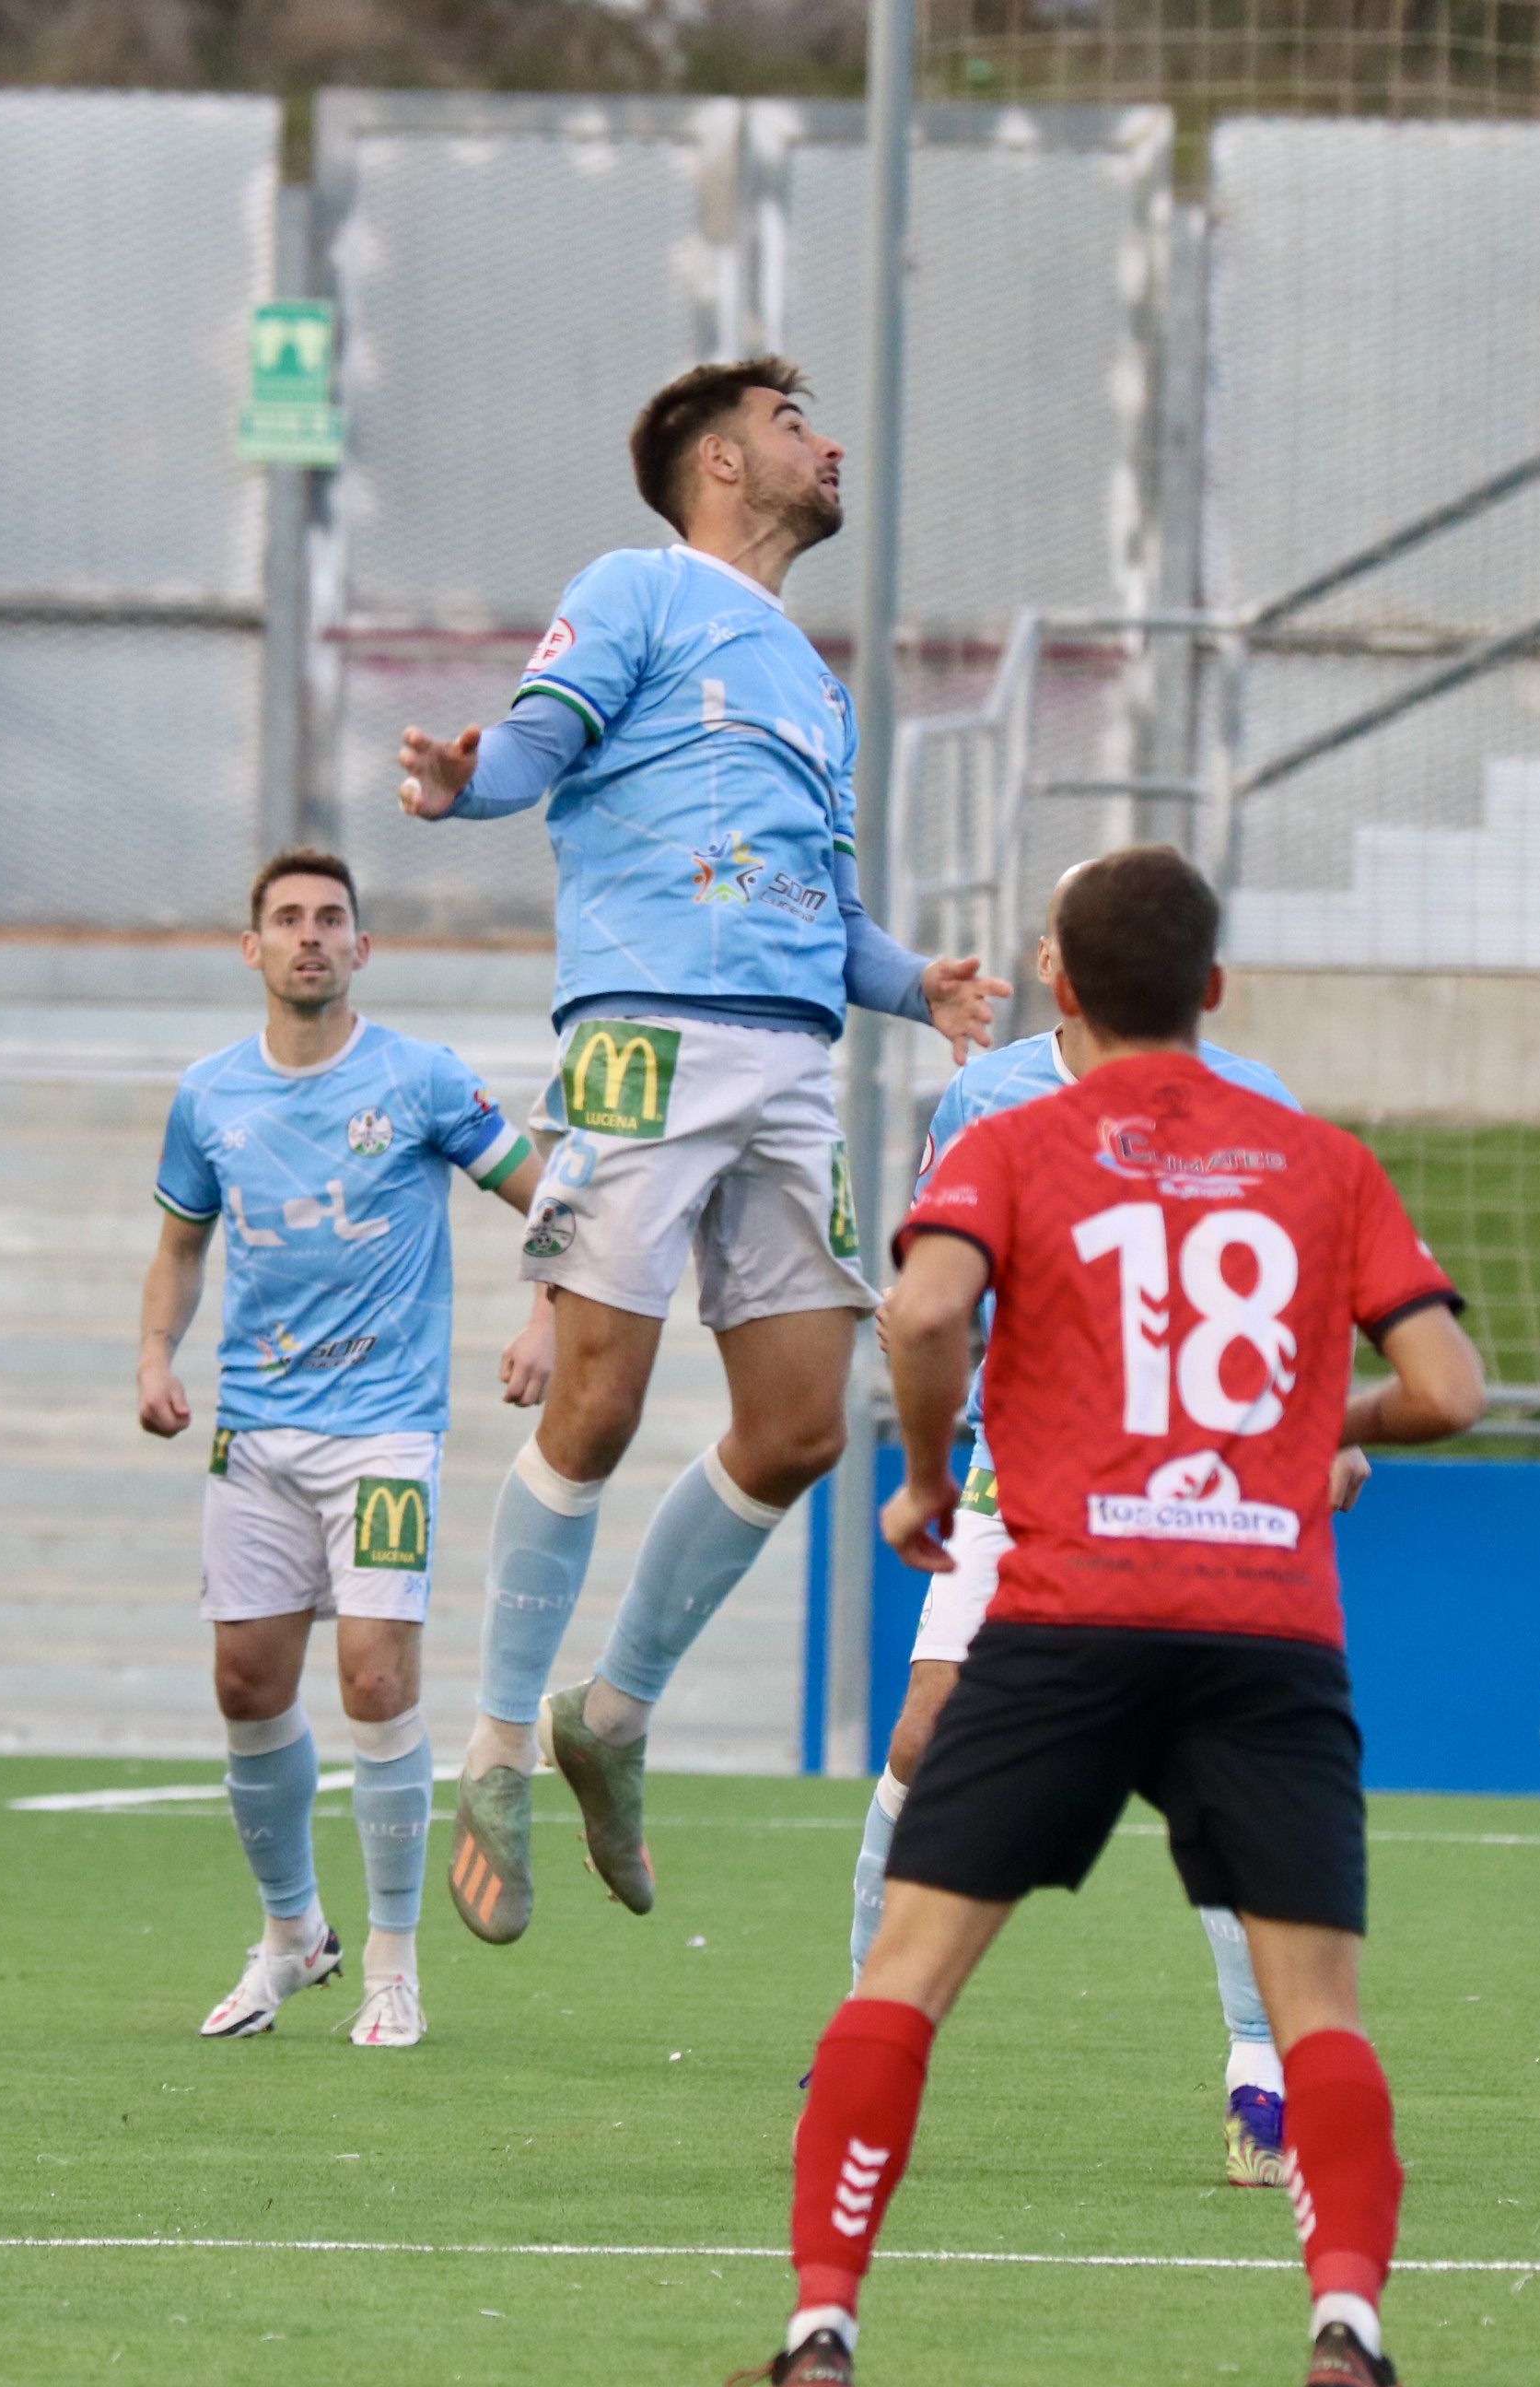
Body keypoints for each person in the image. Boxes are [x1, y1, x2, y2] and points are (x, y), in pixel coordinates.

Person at [746, 846, 1485, 2387]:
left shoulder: (1013, 1134)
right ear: (1210, 991)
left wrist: (931, 1479)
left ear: (1058, 990)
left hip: (1070, 1604)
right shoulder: (1313, 1155)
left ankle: (818, 2322)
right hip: (1257, 1624)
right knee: (1321, 2016)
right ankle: (1345, 2316)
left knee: (908, 1978)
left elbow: (922, 1312)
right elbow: (1447, 1392)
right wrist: (1314, 1432)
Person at [395, 357, 1006, 1943]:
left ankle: (613, 1710)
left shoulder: (815, 682)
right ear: (721, 464)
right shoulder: (636, 587)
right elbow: (536, 740)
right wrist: (470, 790)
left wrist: (911, 981)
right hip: (641, 1038)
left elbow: (820, 907)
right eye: (797, 422)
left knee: (802, 1427)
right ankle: (493, 1744)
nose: (830, 442)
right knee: (595, 1399)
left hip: (791, 1067)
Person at [846, 867, 1368, 2188]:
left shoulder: (1261, 1104)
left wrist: (1321, 1435)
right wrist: (948, 1450)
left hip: (1200, 1482)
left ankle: (1260, 2072)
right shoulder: (986, 1099)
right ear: (1051, 962)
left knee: (1219, 1788)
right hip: (1020, 1472)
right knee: (923, 1733)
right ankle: (863, 2042)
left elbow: (1297, 1297)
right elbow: (941, 1289)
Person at [137, 849, 550, 2050]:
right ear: (251, 948)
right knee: (245, 1686)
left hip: (386, 1432)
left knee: (375, 1676)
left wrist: (548, 1317)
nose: (310, 936)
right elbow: (179, 1244)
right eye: (287, 919)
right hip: (255, 1430)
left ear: (363, 948)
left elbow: (554, 1197)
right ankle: (291, 1938)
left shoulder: (421, 1081)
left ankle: (391, 1965)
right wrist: (158, 1354)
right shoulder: (210, 1095)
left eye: (331, 920)